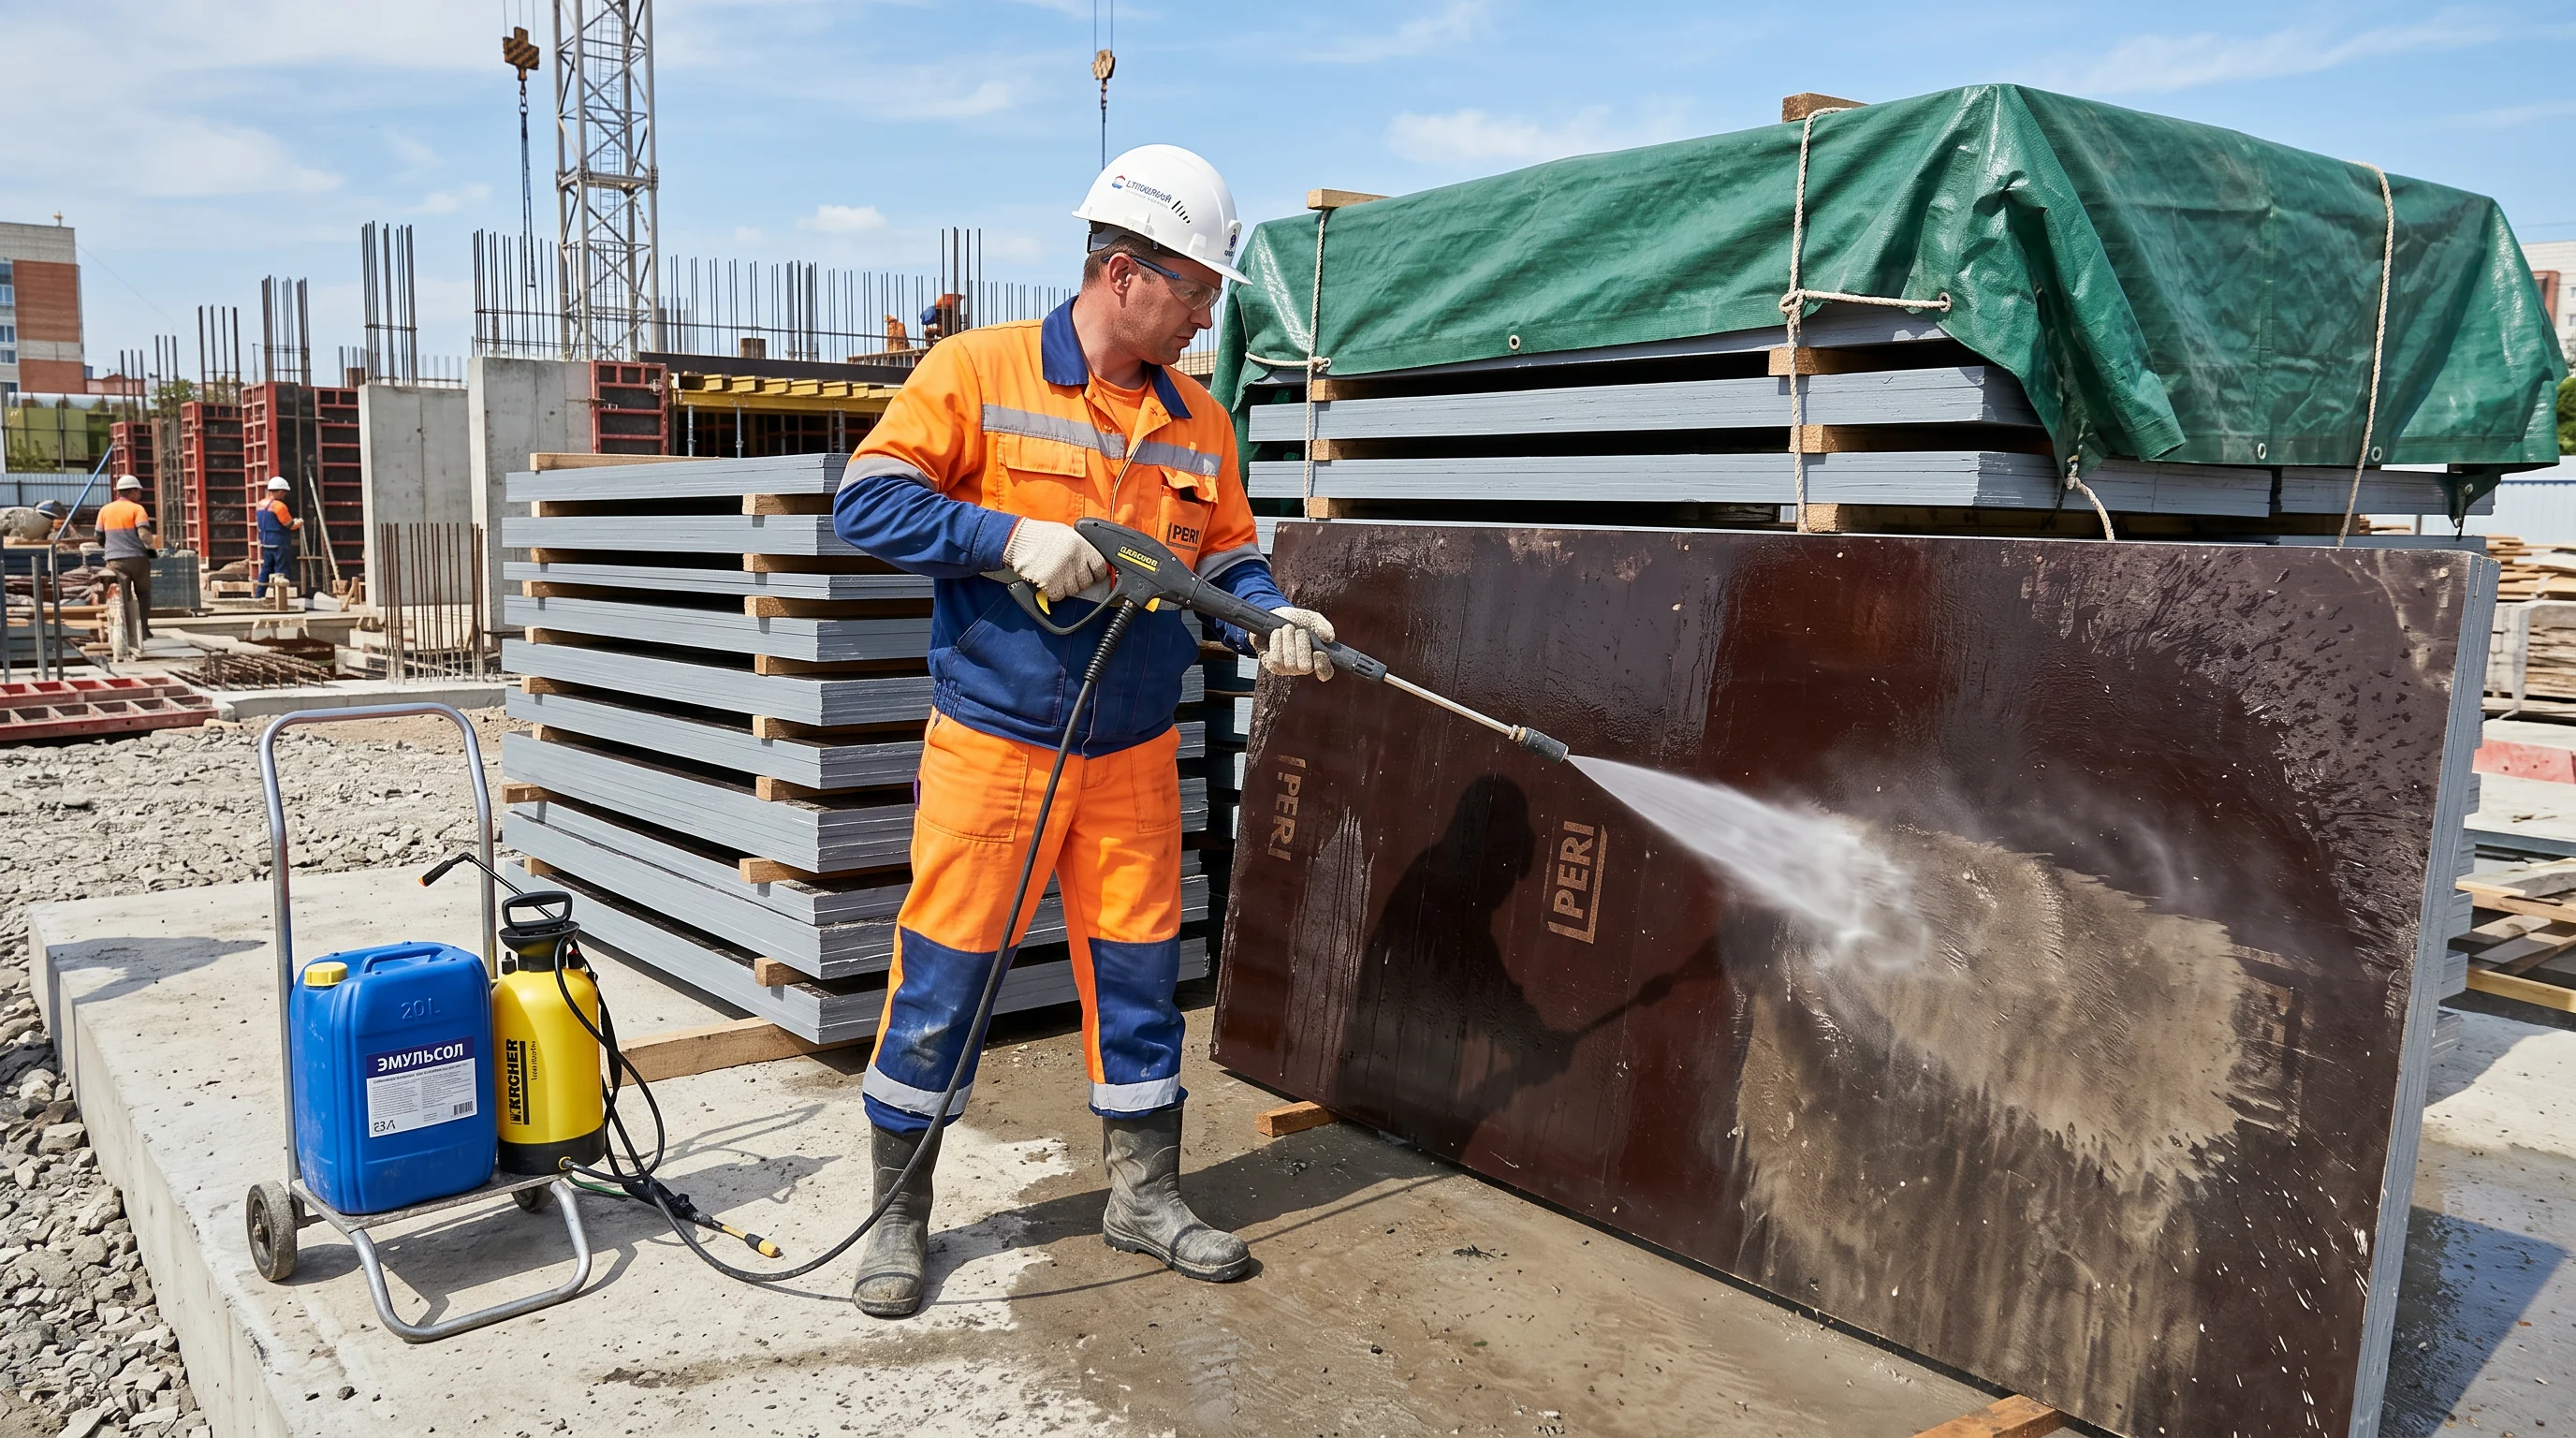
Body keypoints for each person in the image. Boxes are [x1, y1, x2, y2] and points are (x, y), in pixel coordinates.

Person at [831, 143, 1339, 1320]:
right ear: (1121, 273)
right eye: (1197, 289)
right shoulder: (977, 369)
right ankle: (898, 1224)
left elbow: (1222, 552)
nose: (1208, 312)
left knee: (1140, 976)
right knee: (942, 979)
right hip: (995, 748)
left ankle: (1143, 1199)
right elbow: (868, 497)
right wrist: (1006, 537)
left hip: (1132, 752)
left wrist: (1270, 617)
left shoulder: (1196, 416)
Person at [95, 476, 157, 648]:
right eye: (139, 491)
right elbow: (144, 534)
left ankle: (125, 634)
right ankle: (143, 629)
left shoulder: (105, 510)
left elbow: (98, 536)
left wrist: (109, 547)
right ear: (132, 491)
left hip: (115, 560)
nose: (140, 495)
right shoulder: (137, 509)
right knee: (143, 594)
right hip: (138, 558)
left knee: (121, 597)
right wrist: (152, 550)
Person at [256, 476, 301, 588]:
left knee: (266, 568)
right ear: (280, 491)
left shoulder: (260, 504)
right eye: (285, 493)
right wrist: (299, 523)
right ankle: (281, 597)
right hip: (279, 542)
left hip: (265, 541)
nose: (285, 495)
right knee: (281, 570)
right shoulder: (280, 506)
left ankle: (259, 594)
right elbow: (290, 525)